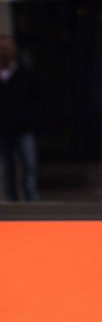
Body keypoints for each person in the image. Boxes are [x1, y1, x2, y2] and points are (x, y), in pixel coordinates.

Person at [0, 34, 40, 202]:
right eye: (2, 48)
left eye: (8, 48)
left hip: (24, 128)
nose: (5, 51)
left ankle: (31, 198)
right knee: (7, 166)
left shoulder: (24, 72)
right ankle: (11, 200)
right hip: (3, 129)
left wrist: (31, 119)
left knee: (29, 165)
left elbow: (36, 98)